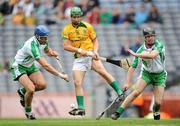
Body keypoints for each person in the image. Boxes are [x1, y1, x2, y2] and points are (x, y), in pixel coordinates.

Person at [62, 7, 124, 116]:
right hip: (79, 59)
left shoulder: (88, 26)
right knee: (77, 83)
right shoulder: (67, 29)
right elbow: (65, 46)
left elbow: (95, 41)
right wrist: (79, 50)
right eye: (74, 16)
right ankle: (81, 108)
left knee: (103, 73)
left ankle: (119, 92)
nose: (76, 18)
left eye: (78, 16)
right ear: (71, 17)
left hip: (90, 56)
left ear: (81, 16)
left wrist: (95, 52)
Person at [11, 25, 69, 120]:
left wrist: (52, 53)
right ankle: (28, 112)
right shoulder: (31, 45)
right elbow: (45, 65)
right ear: (37, 36)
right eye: (43, 38)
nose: (45, 40)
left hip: (30, 65)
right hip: (19, 66)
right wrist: (61, 75)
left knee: (42, 85)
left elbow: (47, 51)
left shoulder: (43, 40)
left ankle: (22, 92)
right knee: (31, 89)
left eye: (46, 37)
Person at [111, 27, 167, 120]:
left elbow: (152, 56)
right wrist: (127, 82)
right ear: (144, 38)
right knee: (135, 92)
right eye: (148, 36)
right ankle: (118, 112)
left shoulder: (159, 44)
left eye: (152, 36)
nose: (150, 38)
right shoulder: (140, 49)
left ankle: (156, 111)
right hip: (146, 74)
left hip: (160, 75)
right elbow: (132, 67)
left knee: (158, 102)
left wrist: (136, 55)